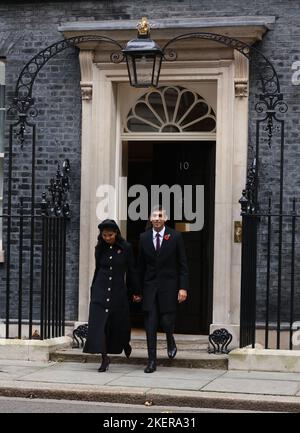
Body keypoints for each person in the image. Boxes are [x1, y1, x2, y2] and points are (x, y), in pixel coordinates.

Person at [83, 219, 140, 372]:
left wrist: (136, 291)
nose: (107, 238)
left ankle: (124, 342)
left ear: (116, 233)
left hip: (118, 291)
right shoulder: (99, 248)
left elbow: (132, 270)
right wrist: (93, 289)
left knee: (119, 323)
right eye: (104, 235)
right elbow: (97, 269)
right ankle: (104, 358)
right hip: (100, 290)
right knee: (99, 325)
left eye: (110, 235)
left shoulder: (126, 248)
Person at [137, 206, 189, 373]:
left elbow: (183, 266)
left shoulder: (175, 237)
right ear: (150, 219)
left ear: (165, 219)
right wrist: (137, 291)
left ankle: (169, 338)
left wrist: (183, 288)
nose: (157, 218)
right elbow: (140, 267)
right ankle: (151, 361)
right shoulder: (143, 238)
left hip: (169, 287)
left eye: (160, 216)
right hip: (150, 288)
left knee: (167, 322)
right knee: (150, 325)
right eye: (154, 216)